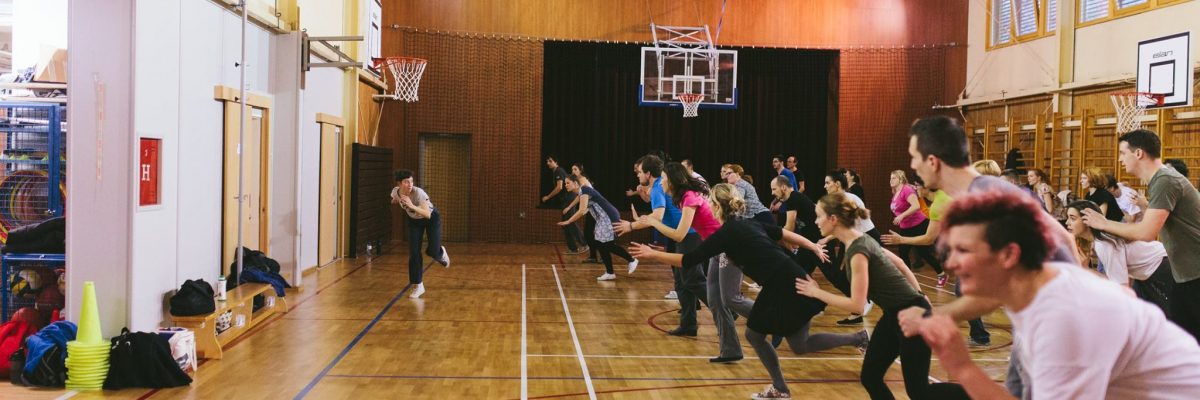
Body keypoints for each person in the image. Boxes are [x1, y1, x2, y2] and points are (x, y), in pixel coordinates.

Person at [902, 191, 1200, 399]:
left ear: (1008, 255)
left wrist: (962, 367)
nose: (950, 263)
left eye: (963, 250)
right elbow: (988, 298)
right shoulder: (1037, 281)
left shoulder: (1065, 318)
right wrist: (935, 316)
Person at [898, 115, 1082, 397]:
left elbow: (1064, 240)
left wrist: (933, 316)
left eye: (914, 157)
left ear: (932, 161)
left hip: (1055, 324)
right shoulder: (975, 197)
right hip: (1036, 320)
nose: (912, 165)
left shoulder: (990, 196)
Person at [630, 188, 862, 400]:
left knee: (754, 334)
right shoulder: (746, 223)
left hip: (785, 283)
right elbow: (783, 234)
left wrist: (653, 254)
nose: (708, 206)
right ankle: (859, 339)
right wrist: (812, 246)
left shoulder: (727, 233)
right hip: (787, 278)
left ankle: (780, 388)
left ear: (718, 207)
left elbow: (688, 260)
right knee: (800, 344)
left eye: (710, 203)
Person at [795, 193, 967, 400]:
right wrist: (920, 294)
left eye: (818, 216)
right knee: (871, 377)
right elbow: (901, 264)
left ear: (833, 219)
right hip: (895, 314)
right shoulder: (861, 239)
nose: (815, 221)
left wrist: (816, 292)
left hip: (914, 316)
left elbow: (857, 306)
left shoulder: (858, 251)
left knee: (919, 392)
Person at [1081, 129, 1200, 343]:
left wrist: (1104, 223)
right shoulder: (1160, 181)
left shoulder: (1165, 180)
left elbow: (1146, 232)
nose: (1120, 159)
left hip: (1195, 274)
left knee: (1187, 341)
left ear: (1138, 153)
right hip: (1186, 275)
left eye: (1122, 153)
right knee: (1184, 340)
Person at [635, 162, 738, 360]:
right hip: (715, 247)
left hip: (726, 247)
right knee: (703, 291)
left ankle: (763, 319)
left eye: (664, 179)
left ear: (673, 181)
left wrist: (653, 222)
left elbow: (679, 235)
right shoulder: (683, 197)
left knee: (727, 298)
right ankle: (721, 342)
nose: (661, 182)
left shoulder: (689, 197)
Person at [614, 154, 708, 336]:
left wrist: (631, 226)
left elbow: (657, 215)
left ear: (648, 174)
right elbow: (656, 208)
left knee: (693, 280)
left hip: (689, 236)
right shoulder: (657, 187)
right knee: (682, 283)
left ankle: (728, 312)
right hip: (679, 236)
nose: (637, 175)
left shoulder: (658, 187)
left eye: (639, 172)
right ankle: (688, 325)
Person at [1066, 200, 1174, 313]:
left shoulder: (1104, 244)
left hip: (1161, 268)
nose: (1067, 222)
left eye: (1073, 218)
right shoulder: (1101, 240)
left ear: (1087, 221)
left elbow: (1120, 288)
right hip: (1150, 272)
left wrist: (1086, 269)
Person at [560, 174, 637, 281]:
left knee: (607, 245)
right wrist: (571, 210)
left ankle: (631, 260)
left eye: (568, 183)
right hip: (602, 219)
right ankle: (610, 272)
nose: (566, 185)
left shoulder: (584, 190)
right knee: (600, 243)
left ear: (576, 183)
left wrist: (569, 221)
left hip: (608, 216)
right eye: (565, 183)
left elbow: (581, 210)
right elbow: (584, 208)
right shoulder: (582, 193)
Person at [391, 169, 450, 299]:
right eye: (406, 182)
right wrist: (395, 200)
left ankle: (440, 253)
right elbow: (394, 197)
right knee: (414, 253)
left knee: (432, 252)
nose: (410, 184)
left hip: (431, 219)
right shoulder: (396, 192)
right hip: (414, 222)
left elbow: (427, 214)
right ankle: (418, 285)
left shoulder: (419, 193)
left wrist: (411, 205)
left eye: (411, 181)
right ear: (399, 184)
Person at [886, 170, 943, 281]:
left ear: (901, 179)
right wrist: (900, 217)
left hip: (918, 224)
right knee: (903, 252)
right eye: (890, 178)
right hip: (906, 227)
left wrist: (901, 216)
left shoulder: (906, 189)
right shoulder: (895, 192)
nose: (891, 180)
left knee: (924, 252)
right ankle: (908, 278)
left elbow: (916, 206)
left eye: (893, 178)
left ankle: (941, 274)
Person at [543, 156, 587, 254]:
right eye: (547, 161)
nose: (548, 163)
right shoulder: (556, 172)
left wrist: (548, 197)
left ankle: (584, 244)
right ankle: (573, 248)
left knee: (570, 222)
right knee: (566, 225)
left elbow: (559, 187)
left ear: (556, 162)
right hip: (566, 200)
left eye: (550, 161)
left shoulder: (559, 171)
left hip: (569, 199)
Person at [567, 164, 600, 264]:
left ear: (580, 170)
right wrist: (569, 207)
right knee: (589, 233)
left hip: (596, 209)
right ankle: (594, 256)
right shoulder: (578, 181)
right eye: (572, 169)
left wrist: (571, 208)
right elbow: (579, 196)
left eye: (575, 169)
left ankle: (599, 256)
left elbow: (581, 196)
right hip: (591, 209)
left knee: (594, 234)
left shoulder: (582, 180)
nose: (573, 171)